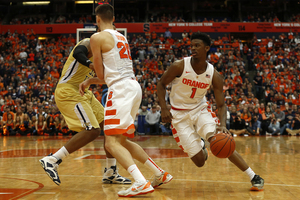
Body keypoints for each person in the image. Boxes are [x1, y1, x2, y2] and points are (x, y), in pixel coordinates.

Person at [157, 32, 264, 191]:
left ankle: (253, 176)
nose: (193, 48)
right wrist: (164, 108)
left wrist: (222, 125)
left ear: (207, 48)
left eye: (197, 45)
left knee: (221, 141)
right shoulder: (179, 65)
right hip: (178, 115)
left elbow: (221, 106)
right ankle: (200, 145)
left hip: (200, 110)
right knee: (200, 161)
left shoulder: (214, 75)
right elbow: (161, 84)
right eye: (192, 45)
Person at [87, 4, 172, 197]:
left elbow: (101, 73)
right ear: (113, 18)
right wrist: (91, 81)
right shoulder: (121, 37)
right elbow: (107, 75)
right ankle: (159, 173)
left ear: (97, 19)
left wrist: (88, 63)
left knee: (110, 143)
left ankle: (140, 182)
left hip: (120, 90)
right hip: (133, 87)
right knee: (122, 141)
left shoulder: (96, 37)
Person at [39, 27, 130, 186]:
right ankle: (52, 160)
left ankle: (110, 172)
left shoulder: (105, 53)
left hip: (84, 92)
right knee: (93, 130)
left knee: (110, 128)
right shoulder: (88, 42)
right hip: (68, 90)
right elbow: (78, 53)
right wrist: (90, 64)